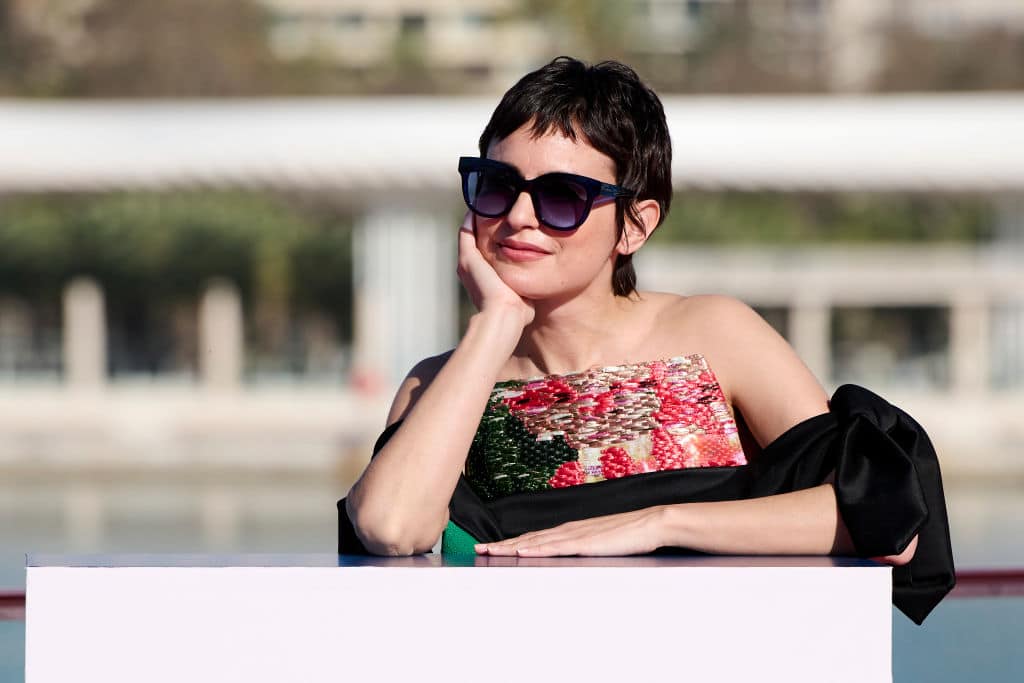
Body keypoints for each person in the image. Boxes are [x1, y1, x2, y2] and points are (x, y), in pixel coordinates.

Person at [338, 56, 954, 625]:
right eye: (497, 186)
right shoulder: (440, 385)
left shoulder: (715, 335)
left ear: (635, 224)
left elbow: (882, 519)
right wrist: (494, 325)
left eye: (561, 197)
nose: (519, 217)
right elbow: (391, 528)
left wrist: (660, 525)